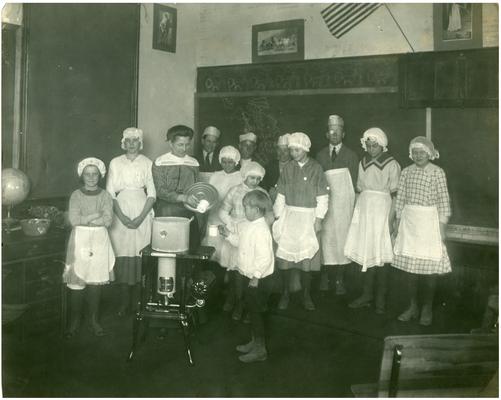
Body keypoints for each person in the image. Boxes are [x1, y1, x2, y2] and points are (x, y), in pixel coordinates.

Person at [392, 136, 451, 326]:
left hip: (429, 224)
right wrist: (398, 221)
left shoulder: (437, 172)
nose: (418, 156)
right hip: (410, 224)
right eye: (415, 153)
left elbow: (443, 200)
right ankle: (412, 306)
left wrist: (442, 226)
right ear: (411, 154)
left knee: (429, 269)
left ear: (430, 154)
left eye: (422, 153)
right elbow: (400, 197)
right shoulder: (407, 172)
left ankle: (427, 308)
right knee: (411, 269)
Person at [344, 128, 401, 314]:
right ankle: (367, 295)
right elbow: (359, 189)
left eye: (374, 145)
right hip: (365, 210)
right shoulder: (363, 162)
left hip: (382, 210)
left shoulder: (392, 164)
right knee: (367, 253)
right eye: (368, 145)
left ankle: (380, 300)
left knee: (381, 255)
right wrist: (356, 215)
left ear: (382, 145)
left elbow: (396, 196)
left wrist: (392, 220)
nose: (370, 148)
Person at [273, 132, 329, 311]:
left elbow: (323, 197)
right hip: (290, 216)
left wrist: (318, 219)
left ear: (305, 148)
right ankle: (285, 294)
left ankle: (306, 296)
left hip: (308, 218)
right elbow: (281, 195)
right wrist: (278, 216)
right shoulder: (288, 168)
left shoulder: (317, 168)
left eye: (297, 149)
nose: (293, 153)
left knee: (306, 260)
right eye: (291, 150)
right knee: (285, 260)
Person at [220, 190, 274, 363]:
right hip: (248, 275)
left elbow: (265, 257)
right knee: (252, 310)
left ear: (257, 210)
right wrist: (228, 235)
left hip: (258, 279)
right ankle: (254, 342)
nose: (244, 211)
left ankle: (260, 349)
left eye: (246, 208)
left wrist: (256, 276)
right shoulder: (249, 225)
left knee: (256, 313)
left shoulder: (261, 230)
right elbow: (241, 243)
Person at [106, 127, 156, 317]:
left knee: (140, 251)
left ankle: (139, 301)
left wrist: (141, 217)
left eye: (135, 140)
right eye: (128, 140)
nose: (132, 143)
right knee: (123, 252)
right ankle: (123, 302)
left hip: (142, 208)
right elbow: (110, 192)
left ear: (140, 143)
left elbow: (152, 194)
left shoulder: (148, 163)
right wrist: (123, 217)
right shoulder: (115, 163)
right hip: (121, 208)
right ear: (123, 143)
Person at [63, 157, 115, 338]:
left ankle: (94, 320)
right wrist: (95, 215)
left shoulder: (106, 195)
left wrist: (89, 218)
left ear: (100, 175)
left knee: (95, 280)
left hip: (100, 239)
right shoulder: (76, 195)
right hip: (80, 239)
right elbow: (74, 220)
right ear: (82, 175)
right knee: (78, 280)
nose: (91, 177)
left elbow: (108, 220)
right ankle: (75, 322)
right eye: (88, 174)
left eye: (95, 174)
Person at [218, 161, 273, 320]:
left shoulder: (262, 193)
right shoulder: (235, 191)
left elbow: (268, 213)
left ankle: (246, 306)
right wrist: (230, 226)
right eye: (251, 178)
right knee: (237, 271)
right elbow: (223, 211)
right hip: (237, 231)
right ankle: (234, 300)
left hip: (254, 233)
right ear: (244, 176)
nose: (255, 182)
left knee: (250, 270)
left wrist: (266, 227)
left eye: (257, 179)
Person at [316, 114, 358, 295]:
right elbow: (317, 181)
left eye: (338, 131)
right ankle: (325, 276)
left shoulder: (351, 155)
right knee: (326, 240)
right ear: (327, 134)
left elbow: (355, 182)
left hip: (343, 205)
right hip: (325, 203)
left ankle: (340, 279)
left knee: (342, 239)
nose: (334, 134)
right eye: (331, 131)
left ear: (344, 134)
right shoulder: (319, 155)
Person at [152, 124, 201, 246]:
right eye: (180, 145)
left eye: (187, 144)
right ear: (170, 143)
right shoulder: (160, 162)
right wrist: (184, 198)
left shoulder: (193, 163)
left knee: (189, 248)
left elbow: (196, 188)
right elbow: (161, 191)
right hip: (166, 211)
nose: (184, 149)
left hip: (188, 210)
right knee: (168, 247)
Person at [202, 145, 243, 263]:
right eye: (224, 162)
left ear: (236, 162)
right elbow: (209, 192)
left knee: (228, 246)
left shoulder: (240, 177)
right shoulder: (215, 175)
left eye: (230, 162)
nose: (227, 165)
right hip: (214, 216)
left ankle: (227, 274)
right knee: (213, 243)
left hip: (231, 218)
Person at [261, 133, 291, 202]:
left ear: (290, 151)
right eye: (279, 150)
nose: (282, 153)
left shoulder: (295, 165)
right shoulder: (270, 165)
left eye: (285, 150)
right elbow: (264, 184)